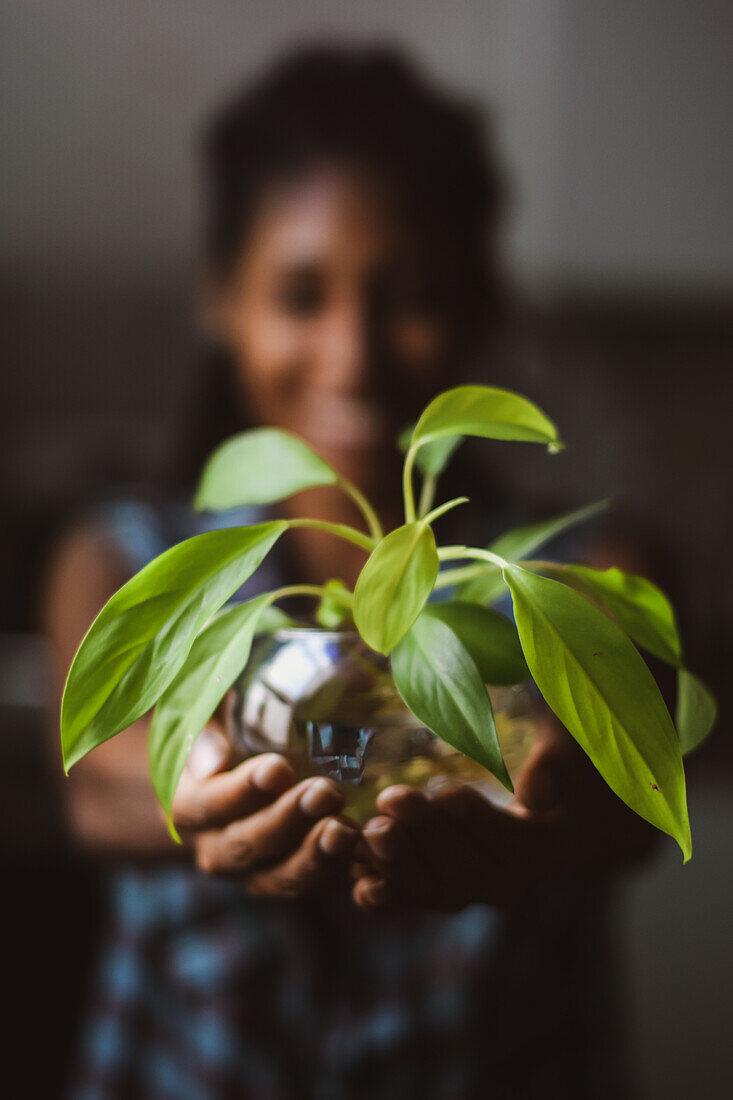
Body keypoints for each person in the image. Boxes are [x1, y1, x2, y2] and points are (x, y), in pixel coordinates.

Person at [44, 45, 653, 1099]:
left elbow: (629, 784)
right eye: (299, 293)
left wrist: (549, 812)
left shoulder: (577, 567)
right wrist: (190, 793)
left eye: (408, 294)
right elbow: (99, 772)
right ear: (220, 300)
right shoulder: (129, 553)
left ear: (474, 305)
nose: (354, 352)